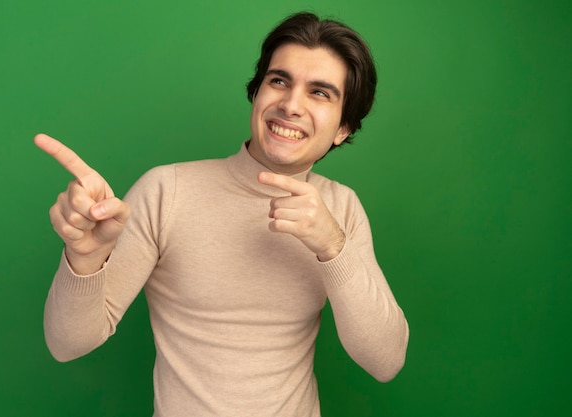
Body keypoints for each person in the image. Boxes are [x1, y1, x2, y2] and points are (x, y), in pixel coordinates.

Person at [36, 11, 409, 417]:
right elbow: (67, 344)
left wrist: (333, 246)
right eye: (279, 81)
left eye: (320, 93)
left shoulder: (342, 208)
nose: (290, 104)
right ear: (257, 92)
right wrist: (85, 258)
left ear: (343, 129)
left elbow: (385, 361)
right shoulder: (167, 191)